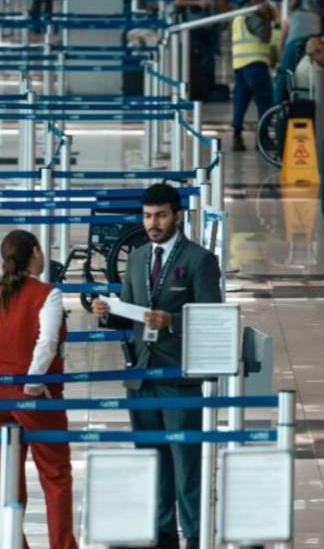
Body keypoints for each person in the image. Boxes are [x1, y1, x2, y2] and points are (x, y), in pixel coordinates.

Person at [93, 184, 221, 549]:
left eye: (161, 215)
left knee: (185, 463)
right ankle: (162, 532)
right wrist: (108, 313)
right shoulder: (136, 258)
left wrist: (173, 321)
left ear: (177, 216)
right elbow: (132, 312)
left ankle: (195, 533)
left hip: (178, 376)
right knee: (151, 459)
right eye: (148, 216)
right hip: (141, 375)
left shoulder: (199, 260)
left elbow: (214, 319)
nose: (153, 223)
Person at [0, 230, 78, 549]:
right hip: (35, 398)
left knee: (8, 476)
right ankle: (62, 545)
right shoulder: (48, 293)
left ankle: (13, 541)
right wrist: (33, 383)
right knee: (55, 474)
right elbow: (46, 343)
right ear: (34, 253)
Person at [230, 0, 277, 152]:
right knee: (265, 101)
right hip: (256, 63)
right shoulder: (254, 17)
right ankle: (262, 138)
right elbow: (265, 36)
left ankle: (237, 136)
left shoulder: (238, 18)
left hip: (239, 65)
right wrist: (267, 19)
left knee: (240, 101)